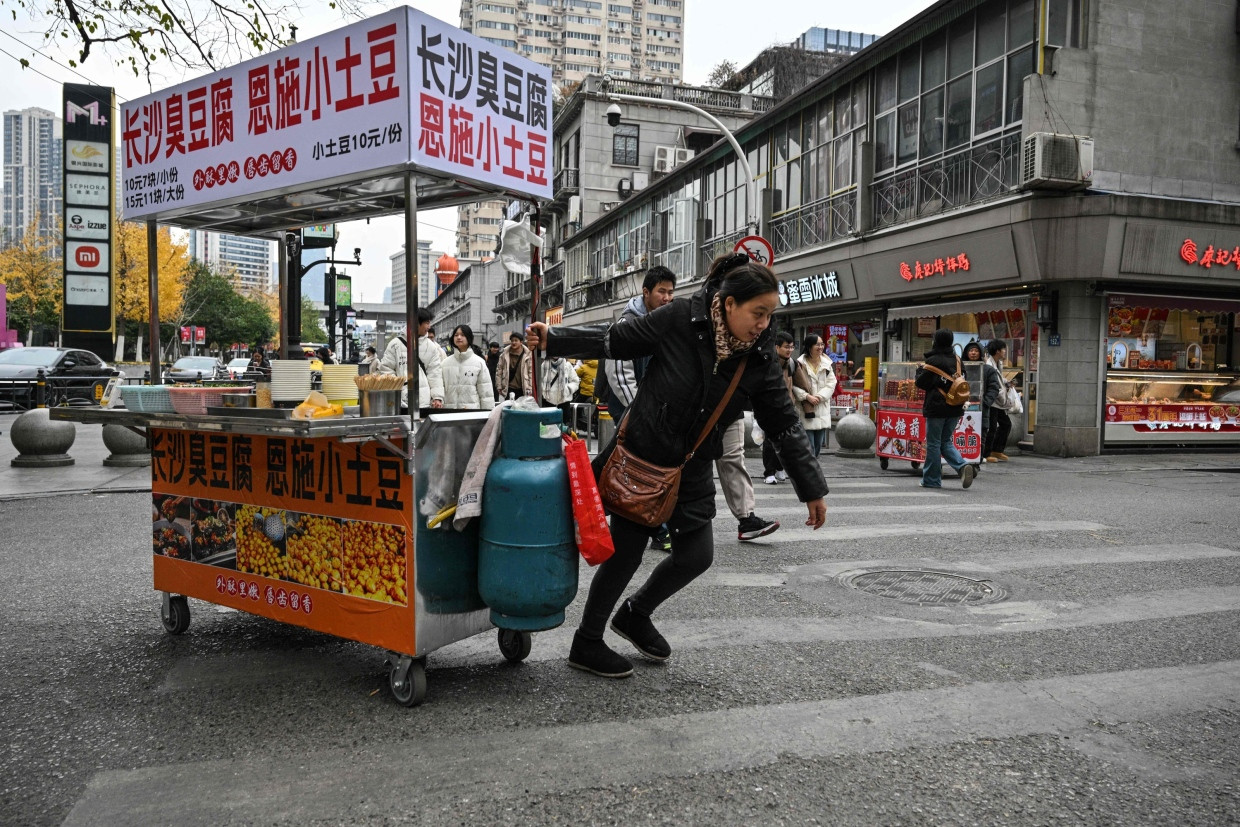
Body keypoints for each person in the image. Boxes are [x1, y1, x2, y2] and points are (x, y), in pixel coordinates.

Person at [526, 252, 828, 679]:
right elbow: (617, 341)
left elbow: (782, 422)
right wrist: (555, 339)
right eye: (757, 313)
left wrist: (811, 488)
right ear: (728, 304)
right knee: (626, 553)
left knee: (696, 556)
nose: (764, 324)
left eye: (769, 315)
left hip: (693, 462)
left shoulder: (758, 356)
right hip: (646, 457)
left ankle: (635, 614)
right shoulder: (679, 318)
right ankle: (587, 641)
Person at [601, 266, 676, 422]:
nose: (667, 298)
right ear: (646, 292)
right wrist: (639, 409)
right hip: (632, 416)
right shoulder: (627, 324)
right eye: (661, 291)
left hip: (655, 415)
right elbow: (619, 374)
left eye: (670, 292)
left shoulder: (665, 326)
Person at [914, 328, 976, 490]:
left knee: (934, 443)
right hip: (955, 406)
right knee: (945, 441)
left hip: (937, 407)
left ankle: (932, 480)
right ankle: (962, 466)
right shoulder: (957, 359)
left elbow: (921, 383)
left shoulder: (933, 361)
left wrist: (919, 371)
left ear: (936, 341)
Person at [377, 307, 444, 410]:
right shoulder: (395, 344)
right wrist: (398, 391)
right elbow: (386, 370)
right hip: (399, 403)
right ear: (417, 323)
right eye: (427, 323)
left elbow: (435, 374)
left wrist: (437, 397)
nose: (429, 327)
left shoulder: (431, 347)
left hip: (424, 404)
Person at [792, 333, 837, 457]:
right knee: (809, 445)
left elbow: (831, 383)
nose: (821, 347)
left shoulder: (827, 364)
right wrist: (807, 396)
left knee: (817, 445)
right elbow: (793, 385)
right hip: (806, 409)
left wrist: (819, 397)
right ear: (809, 346)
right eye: (817, 344)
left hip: (821, 408)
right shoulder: (799, 364)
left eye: (822, 344)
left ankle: (812, 467)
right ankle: (809, 471)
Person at [762, 332, 797, 485]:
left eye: (791, 347)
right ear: (777, 347)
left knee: (785, 440)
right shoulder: (767, 363)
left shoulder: (792, 364)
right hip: (769, 407)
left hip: (787, 408)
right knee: (770, 441)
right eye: (786, 347)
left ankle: (779, 468)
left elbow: (803, 385)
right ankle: (769, 472)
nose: (789, 350)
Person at [442, 324, 496, 410]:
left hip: (471, 412)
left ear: (469, 338)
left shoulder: (479, 362)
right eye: (456, 335)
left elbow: (486, 392)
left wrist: (487, 413)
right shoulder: (445, 363)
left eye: (463, 335)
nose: (459, 337)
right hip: (449, 412)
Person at [983, 339, 1013, 462]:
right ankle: (986, 453)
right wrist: (1003, 398)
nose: (1005, 352)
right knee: (992, 427)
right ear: (997, 351)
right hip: (994, 401)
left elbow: (999, 380)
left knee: (1006, 424)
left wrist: (1007, 383)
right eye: (1003, 349)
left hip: (999, 401)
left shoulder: (998, 363)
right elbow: (993, 384)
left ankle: (997, 450)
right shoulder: (990, 365)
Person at [495, 331, 534, 400]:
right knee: (509, 408)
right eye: (512, 340)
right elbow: (499, 371)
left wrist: (530, 387)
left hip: (523, 388)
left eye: (516, 340)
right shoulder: (504, 355)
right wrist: (499, 386)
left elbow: (530, 372)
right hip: (508, 388)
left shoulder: (528, 355)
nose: (513, 342)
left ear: (521, 342)